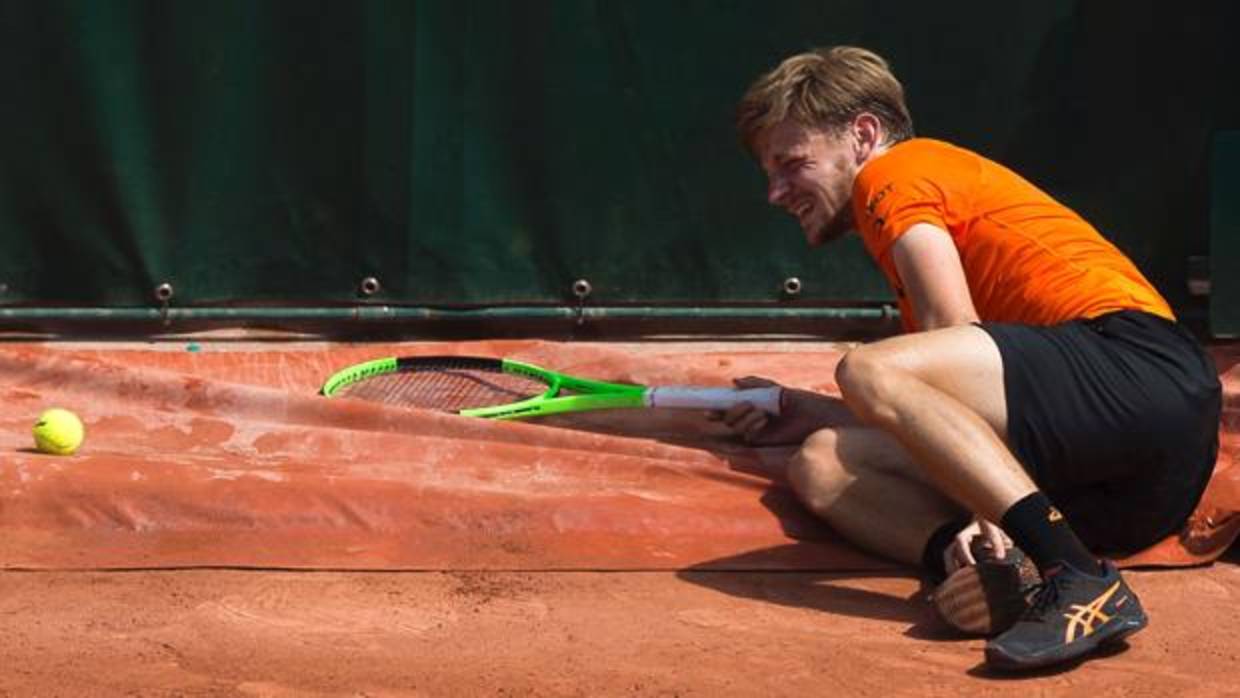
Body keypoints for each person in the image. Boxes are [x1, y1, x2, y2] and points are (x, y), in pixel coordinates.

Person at [721, 46, 1221, 671]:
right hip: (1131, 492)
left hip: (1141, 369)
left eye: (792, 163)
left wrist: (987, 514)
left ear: (864, 134)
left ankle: (1075, 575)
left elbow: (952, 327)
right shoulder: (912, 201)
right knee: (820, 462)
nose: (775, 192)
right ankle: (990, 579)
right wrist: (811, 411)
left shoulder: (893, 173)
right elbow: (952, 414)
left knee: (867, 367)